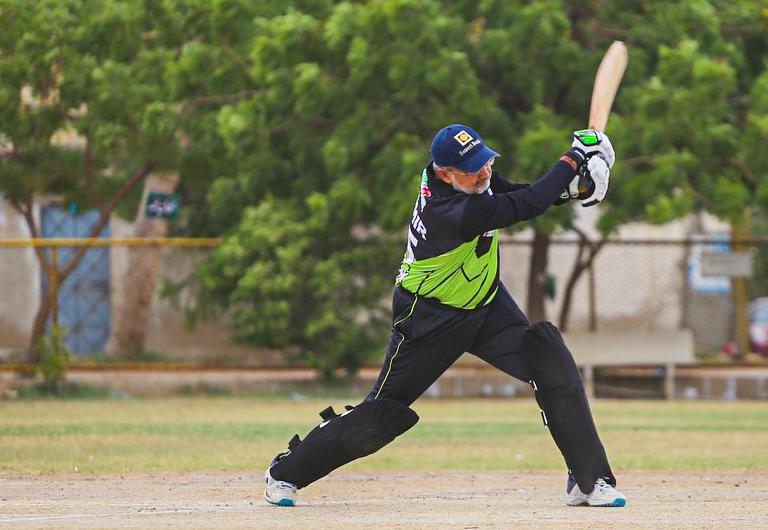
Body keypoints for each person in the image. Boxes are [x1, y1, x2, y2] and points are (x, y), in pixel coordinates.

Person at [264, 124, 625, 507]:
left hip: (486, 305)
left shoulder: (470, 182)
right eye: (472, 170)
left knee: (549, 357)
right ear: (445, 173)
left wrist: (574, 189)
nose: (484, 174)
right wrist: (575, 157)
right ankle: (284, 473)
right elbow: (525, 205)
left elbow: (518, 193)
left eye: (485, 163)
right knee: (377, 418)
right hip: (429, 319)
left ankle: (589, 480)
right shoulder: (451, 211)